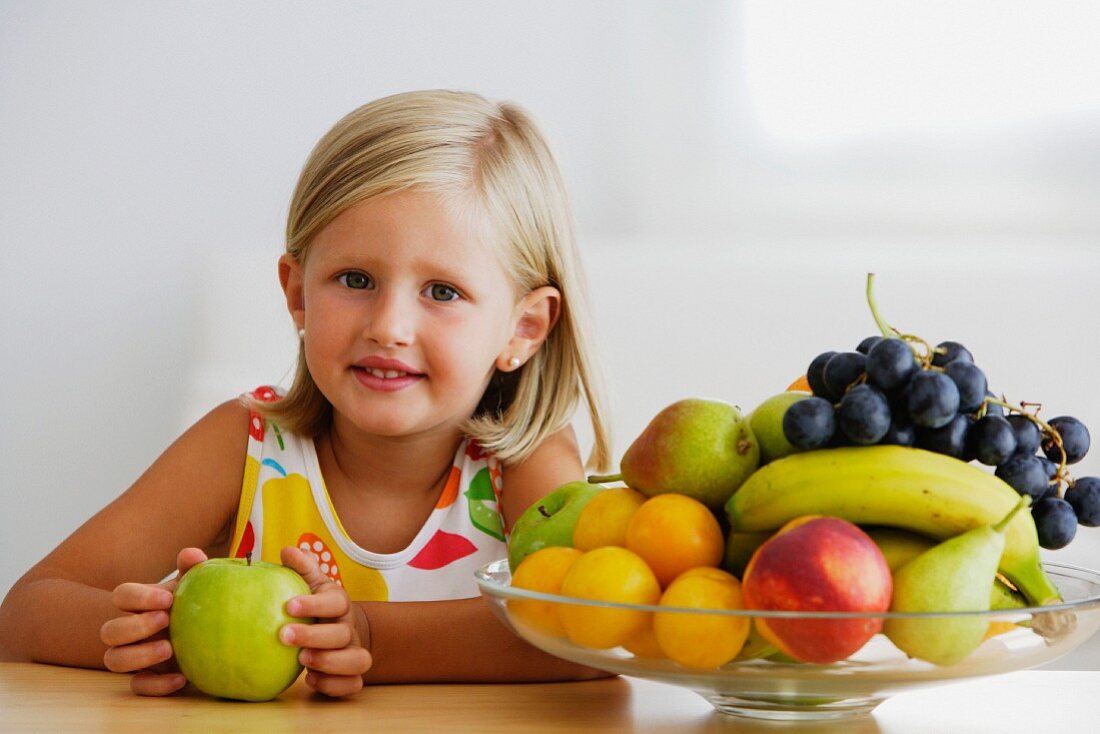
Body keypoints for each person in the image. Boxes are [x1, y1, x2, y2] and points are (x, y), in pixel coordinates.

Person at [0, 90, 613, 697]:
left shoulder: (524, 458)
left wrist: (369, 635)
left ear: (523, 328)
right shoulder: (242, 445)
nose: (388, 326)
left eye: (443, 292)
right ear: (297, 294)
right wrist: (159, 634)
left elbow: (591, 634)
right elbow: (26, 610)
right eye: (355, 279)